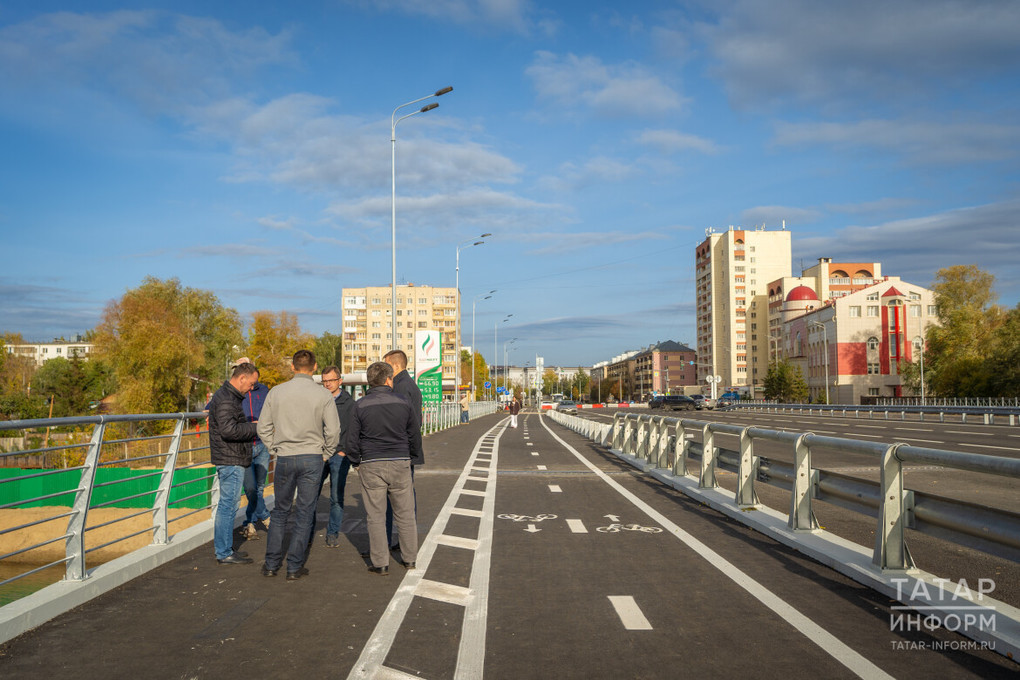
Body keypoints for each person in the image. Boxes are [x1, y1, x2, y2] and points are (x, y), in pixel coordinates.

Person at [257, 350, 340, 580]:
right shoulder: (323, 395)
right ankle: (294, 567)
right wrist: (326, 453)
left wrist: (275, 449)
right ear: (314, 368)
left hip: (284, 457)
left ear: (293, 367)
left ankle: (271, 564)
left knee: (280, 511)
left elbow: (263, 427)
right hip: (312, 457)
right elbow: (333, 431)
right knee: (304, 513)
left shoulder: (276, 392)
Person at [347, 361, 421, 575]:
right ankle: (410, 559)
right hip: (400, 461)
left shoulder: (360, 405)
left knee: (375, 516)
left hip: (371, 463)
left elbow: (352, 439)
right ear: (389, 379)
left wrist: (356, 461)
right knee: (405, 514)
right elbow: (414, 433)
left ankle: (380, 563)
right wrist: (412, 455)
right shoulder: (403, 402)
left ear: (370, 381)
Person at [207, 362, 260, 565]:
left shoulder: (226, 396)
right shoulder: (228, 399)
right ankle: (224, 552)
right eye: (251, 383)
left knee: (227, 504)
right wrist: (254, 428)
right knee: (228, 506)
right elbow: (229, 431)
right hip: (231, 458)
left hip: (229, 457)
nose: (252, 388)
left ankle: (225, 549)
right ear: (242, 378)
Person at [382, 349, 424, 552]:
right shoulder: (409, 385)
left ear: (396, 366)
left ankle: (393, 542)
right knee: (404, 498)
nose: (384, 370)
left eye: (387, 365)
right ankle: (402, 540)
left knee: (397, 499)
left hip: (397, 451)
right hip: (406, 449)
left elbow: (401, 421)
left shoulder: (400, 387)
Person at [316, 365, 355, 548]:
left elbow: (353, 430)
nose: (327, 384)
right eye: (324, 381)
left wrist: (344, 450)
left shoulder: (349, 403)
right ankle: (307, 532)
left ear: (340, 381)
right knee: (311, 494)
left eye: (331, 380)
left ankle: (332, 533)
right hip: (319, 454)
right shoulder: (318, 400)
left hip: (339, 455)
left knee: (336, 497)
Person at [239, 362, 271, 540]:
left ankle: (249, 523)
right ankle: (266, 517)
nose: (254, 384)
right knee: (250, 488)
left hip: (262, 444)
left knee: (259, 488)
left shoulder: (264, 391)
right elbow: (213, 406)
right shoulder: (235, 391)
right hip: (243, 446)